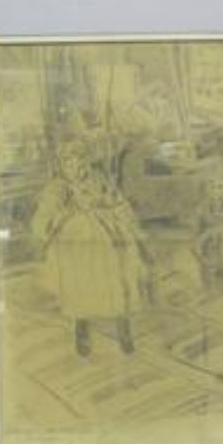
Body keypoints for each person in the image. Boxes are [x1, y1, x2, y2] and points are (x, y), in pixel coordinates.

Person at [31, 142, 148, 357]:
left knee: (117, 276)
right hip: (77, 241)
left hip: (107, 234)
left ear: (84, 162)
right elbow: (44, 219)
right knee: (80, 285)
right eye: (68, 162)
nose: (74, 167)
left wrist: (126, 221)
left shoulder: (98, 180)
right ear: (61, 165)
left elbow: (117, 201)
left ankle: (124, 331)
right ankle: (81, 330)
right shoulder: (58, 188)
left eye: (78, 161)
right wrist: (68, 213)